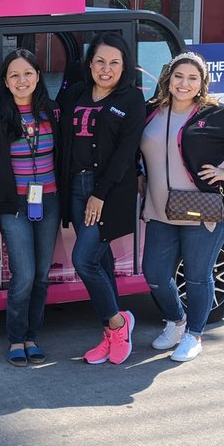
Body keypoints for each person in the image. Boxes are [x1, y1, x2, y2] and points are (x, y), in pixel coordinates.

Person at [140, 52, 224, 362]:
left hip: (203, 207)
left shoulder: (214, 114)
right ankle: (176, 321)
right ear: (168, 78)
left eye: (192, 78)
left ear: (201, 83)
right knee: (154, 273)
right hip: (159, 208)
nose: (184, 83)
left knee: (197, 275)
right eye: (179, 76)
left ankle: (194, 334)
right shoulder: (152, 111)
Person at [57, 32, 146, 366]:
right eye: (99, 61)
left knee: (85, 260)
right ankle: (110, 335)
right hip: (75, 188)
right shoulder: (76, 93)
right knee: (101, 260)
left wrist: (99, 194)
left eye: (114, 62)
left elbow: (125, 155)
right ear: (89, 62)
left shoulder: (132, 100)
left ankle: (119, 323)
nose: (106, 69)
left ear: (124, 66)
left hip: (106, 192)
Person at [0, 49, 62, 367]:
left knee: (41, 276)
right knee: (24, 276)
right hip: (14, 208)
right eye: (14, 75)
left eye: (27, 73)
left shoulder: (52, 113)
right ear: (5, 82)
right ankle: (15, 339)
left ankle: (32, 337)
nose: (21, 80)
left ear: (38, 76)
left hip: (49, 203)